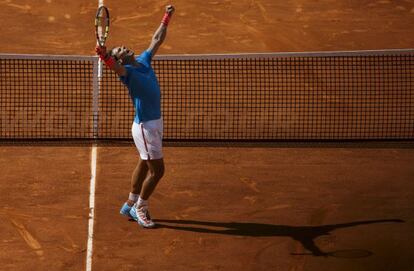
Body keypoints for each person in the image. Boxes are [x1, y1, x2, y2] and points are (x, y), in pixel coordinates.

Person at [95, 5, 175, 229]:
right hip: (145, 127)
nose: (123, 48)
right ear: (119, 60)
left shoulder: (144, 60)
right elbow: (114, 67)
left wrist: (167, 16)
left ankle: (130, 202)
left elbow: (156, 39)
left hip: (153, 123)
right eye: (119, 50)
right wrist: (105, 57)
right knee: (158, 171)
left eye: (121, 47)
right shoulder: (126, 73)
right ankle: (141, 208)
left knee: (143, 162)